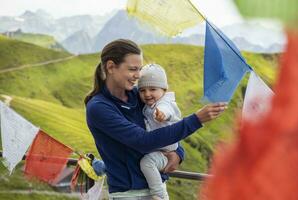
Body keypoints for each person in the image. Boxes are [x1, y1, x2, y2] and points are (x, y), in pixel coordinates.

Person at [85, 39, 227, 200]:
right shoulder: (99, 108)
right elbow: (143, 141)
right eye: (132, 69)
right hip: (128, 195)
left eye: (139, 69)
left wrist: (178, 152)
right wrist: (196, 119)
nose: (138, 76)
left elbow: (165, 125)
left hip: (156, 189)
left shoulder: (138, 94)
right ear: (111, 67)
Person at [138, 63, 182, 200]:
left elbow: (167, 111)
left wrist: (162, 115)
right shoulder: (148, 106)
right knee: (147, 161)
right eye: (142, 90)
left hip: (165, 153)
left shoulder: (164, 104)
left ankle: (158, 194)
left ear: (163, 90)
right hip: (158, 150)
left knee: (147, 163)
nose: (147, 94)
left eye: (152, 89)